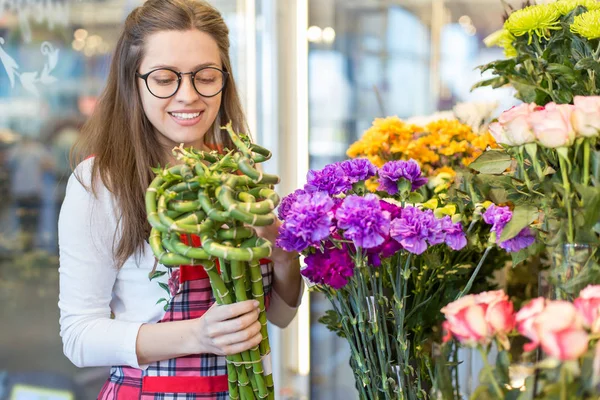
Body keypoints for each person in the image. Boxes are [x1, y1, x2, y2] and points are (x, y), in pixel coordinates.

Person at [57, 1, 303, 399]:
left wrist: (283, 253)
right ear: (132, 81)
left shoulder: (242, 177)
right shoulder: (100, 182)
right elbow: (79, 336)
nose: (188, 96)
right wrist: (198, 335)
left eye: (205, 77)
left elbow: (279, 317)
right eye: (165, 78)